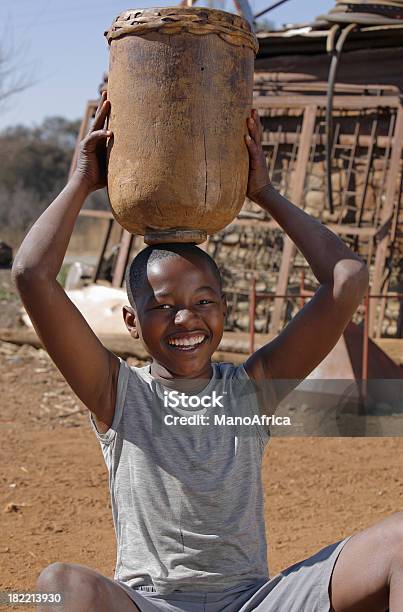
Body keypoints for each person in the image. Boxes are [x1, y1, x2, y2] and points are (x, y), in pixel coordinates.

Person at [12, 91, 402, 612]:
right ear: (131, 321)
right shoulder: (116, 394)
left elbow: (347, 277)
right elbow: (32, 275)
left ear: (224, 309)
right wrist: (82, 180)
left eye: (203, 302)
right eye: (163, 306)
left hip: (253, 602)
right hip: (151, 604)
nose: (186, 318)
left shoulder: (252, 391)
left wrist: (264, 192)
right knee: (59, 583)